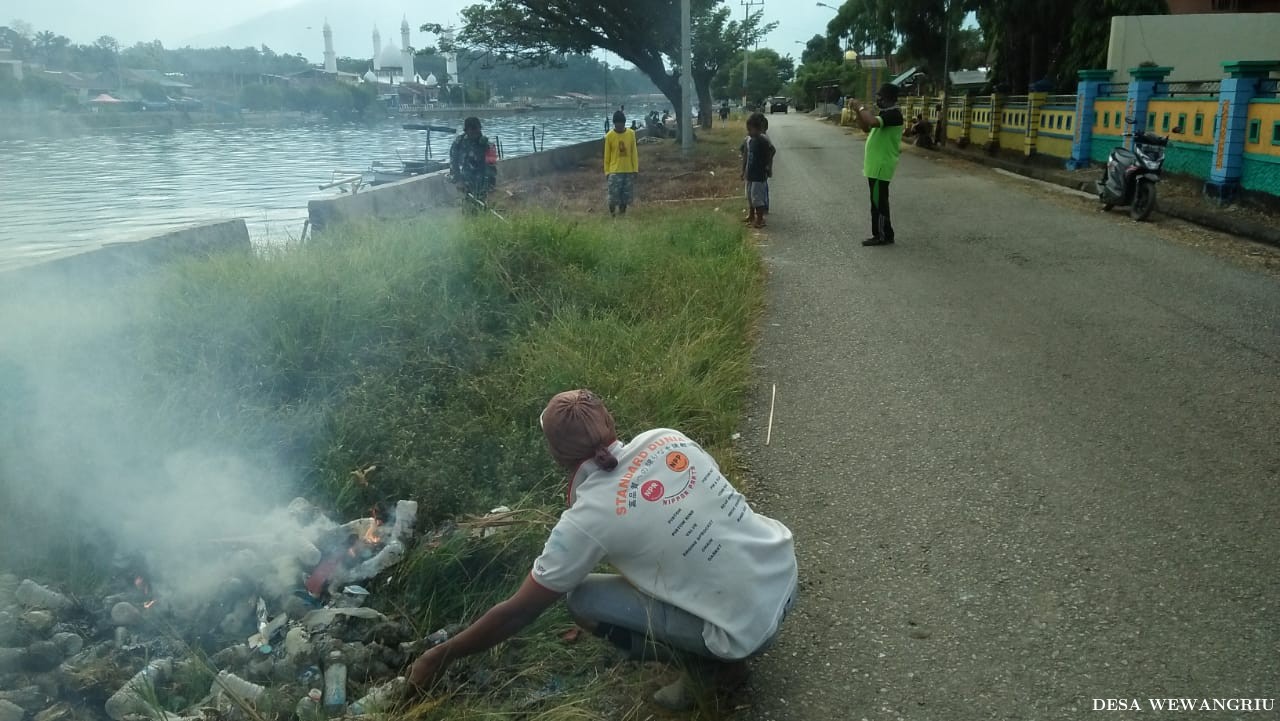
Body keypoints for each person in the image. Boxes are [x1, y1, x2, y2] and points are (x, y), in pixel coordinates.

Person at [409, 390, 797, 711]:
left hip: (746, 632)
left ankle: (712, 666)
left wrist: (441, 655)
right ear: (610, 422)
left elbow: (520, 611)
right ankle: (720, 637)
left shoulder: (587, 518)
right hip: (784, 573)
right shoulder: (666, 437)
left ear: (558, 455)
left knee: (582, 598)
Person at [851, 83, 904, 246]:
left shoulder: (894, 114)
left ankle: (882, 236)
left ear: (888, 98)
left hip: (882, 166)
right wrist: (857, 112)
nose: (878, 100)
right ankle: (885, 233)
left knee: (878, 203)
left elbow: (873, 122)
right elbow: (866, 128)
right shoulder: (885, 113)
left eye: (880, 97)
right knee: (876, 201)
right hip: (875, 166)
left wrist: (860, 108)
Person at [448, 116, 497, 209]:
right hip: (465, 177)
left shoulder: (487, 145)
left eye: (477, 130)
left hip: (482, 178)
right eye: (472, 130)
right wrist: (458, 180)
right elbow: (453, 162)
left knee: (481, 204)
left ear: (480, 129)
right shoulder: (459, 142)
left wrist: (491, 186)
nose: (475, 133)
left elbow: (491, 166)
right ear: (466, 130)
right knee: (468, 204)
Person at [740, 112, 776, 228]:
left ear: (759, 129)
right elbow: (745, 153)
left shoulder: (762, 140)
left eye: (751, 130)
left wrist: (768, 167)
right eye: (748, 130)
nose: (749, 132)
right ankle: (751, 215)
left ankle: (760, 219)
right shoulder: (749, 140)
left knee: (757, 197)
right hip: (750, 173)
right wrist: (743, 171)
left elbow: (772, 151)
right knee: (750, 196)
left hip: (759, 174)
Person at [603, 110, 639, 216]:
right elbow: (607, 156)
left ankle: (622, 215)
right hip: (614, 171)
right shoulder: (609, 136)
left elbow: (634, 152)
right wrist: (607, 172)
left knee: (625, 196)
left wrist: (635, 169)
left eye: (621, 124)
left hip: (628, 170)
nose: (619, 126)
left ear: (624, 123)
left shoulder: (631, 134)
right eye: (617, 124)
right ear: (614, 124)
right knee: (613, 196)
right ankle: (612, 215)